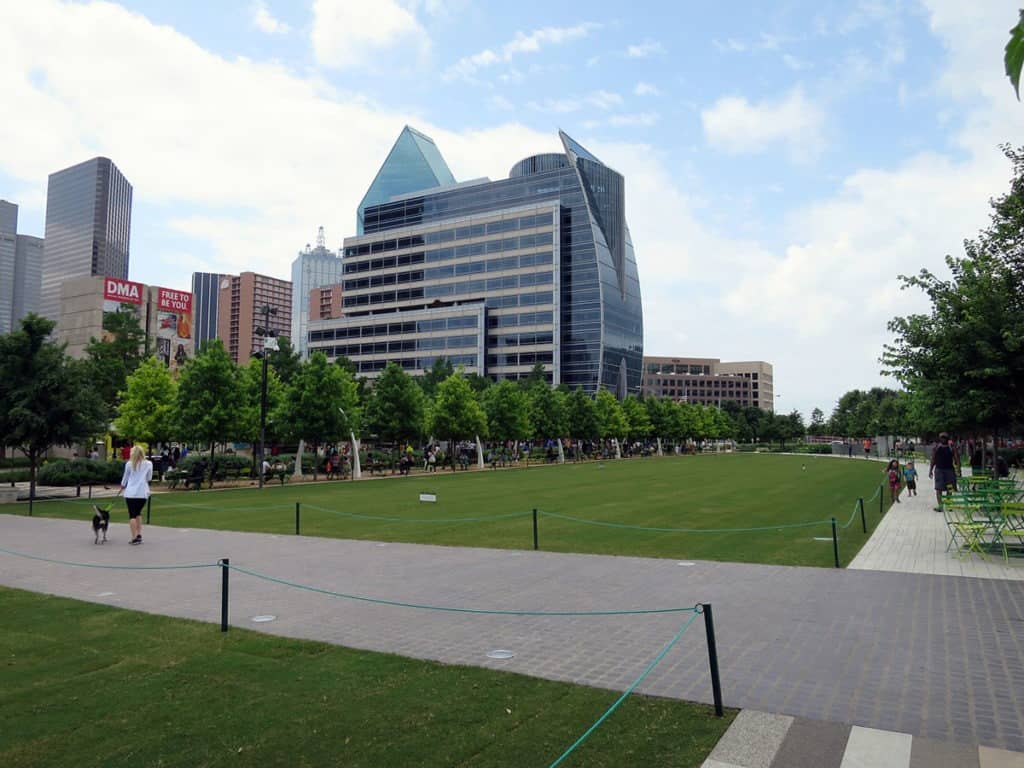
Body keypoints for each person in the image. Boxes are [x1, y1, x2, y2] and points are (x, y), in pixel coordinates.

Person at [120, 445, 153, 545]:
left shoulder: (129, 464)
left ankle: (134, 537)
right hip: (142, 493)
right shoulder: (148, 463)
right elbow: (149, 478)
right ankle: (139, 535)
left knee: (132, 515)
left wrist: (122, 485)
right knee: (138, 513)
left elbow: (125, 478)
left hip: (130, 493)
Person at [928, 432, 960, 512]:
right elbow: (933, 459)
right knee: (939, 488)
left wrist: (958, 469)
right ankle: (940, 506)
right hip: (939, 470)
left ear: (947, 438)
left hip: (949, 470)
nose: (943, 439)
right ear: (939, 438)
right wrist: (930, 470)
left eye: (945, 437)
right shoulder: (936, 447)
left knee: (950, 488)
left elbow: (956, 459)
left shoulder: (951, 447)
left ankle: (949, 505)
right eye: (942, 437)